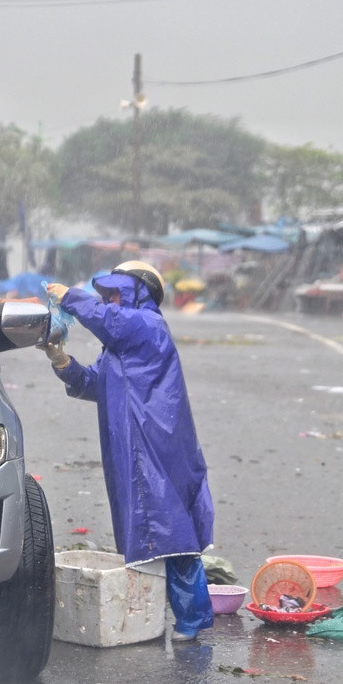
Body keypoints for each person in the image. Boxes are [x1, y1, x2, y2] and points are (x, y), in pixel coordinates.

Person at [42, 261, 215, 641]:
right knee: (149, 532)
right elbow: (95, 384)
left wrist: (69, 296)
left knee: (172, 530)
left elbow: (110, 321)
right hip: (131, 447)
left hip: (156, 446)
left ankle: (192, 617)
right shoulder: (118, 345)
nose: (108, 300)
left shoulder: (147, 326)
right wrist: (62, 362)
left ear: (138, 293)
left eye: (115, 292)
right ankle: (158, 612)